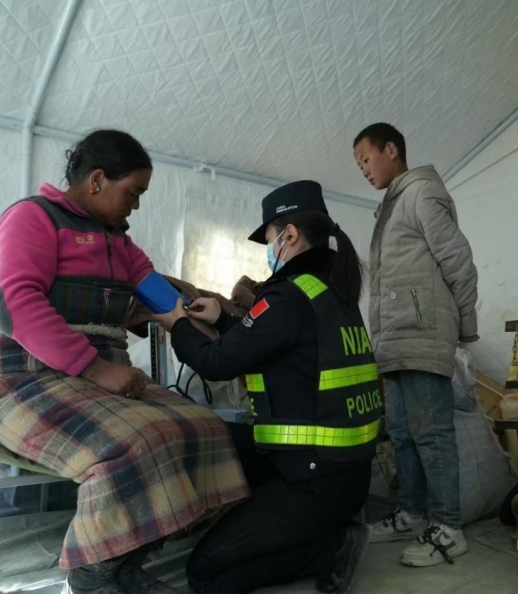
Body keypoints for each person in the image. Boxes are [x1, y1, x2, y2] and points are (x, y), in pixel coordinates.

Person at [0, 130, 250, 594]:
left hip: (89, 379)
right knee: (133, 441)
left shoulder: (120, 244)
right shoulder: (33, 217)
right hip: (23, 377)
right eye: (133, 193)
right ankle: (92, 576)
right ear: (97, 179)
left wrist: (190, 314)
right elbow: (13, 305)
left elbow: (155, 290)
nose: (135, 207)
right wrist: (97, 369)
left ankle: (125, 561)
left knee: (206, 427)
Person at [154, 180, 378, 594]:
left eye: (270, 238)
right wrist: (222, 317)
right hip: (342, 472)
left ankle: (332, 547)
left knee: (205, 573)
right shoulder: (330, 291)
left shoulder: (287, 297)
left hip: (313, 481)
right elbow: (273, 341)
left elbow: (217, 363)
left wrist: (178, 324)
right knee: (211, 435)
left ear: (288, 235)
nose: (268, 250)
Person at [352, 123, 479, 567]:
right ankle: (410, 513)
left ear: (391, 149)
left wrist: (464, 328)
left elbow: (458, 261)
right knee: (403, 433)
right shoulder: (390, 205)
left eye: (366, 159)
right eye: (359, 165)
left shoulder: (423, 192)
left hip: (422, 333)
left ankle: (448, 528)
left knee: (431, 434)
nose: (364, 170)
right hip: (396, 339)